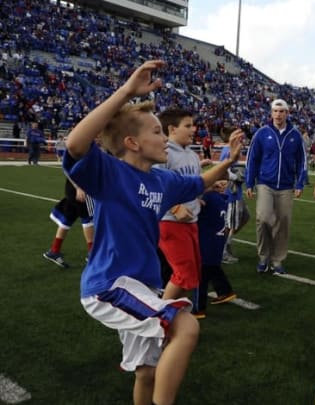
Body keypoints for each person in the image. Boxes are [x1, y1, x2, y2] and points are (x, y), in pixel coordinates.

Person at [63, 60, 243, 405]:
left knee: (147, 371)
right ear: (132, 142)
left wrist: (229, 160)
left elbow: (198, 183)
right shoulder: (108, 172)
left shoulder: (162, 180)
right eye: (158, 132)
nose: (166, 139)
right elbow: (75, 144)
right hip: (109, 286)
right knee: (186, 326)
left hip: (142, 286)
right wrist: (127, 92)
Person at [244, 99, 307, 275]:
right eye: (275, 111)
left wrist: (300, 182)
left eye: (282, 111)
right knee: (263, 218)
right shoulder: (261, 134)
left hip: (287, 185)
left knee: (283, 222)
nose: (278, 114)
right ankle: (264, 256)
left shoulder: (295, 135)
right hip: (265, 183)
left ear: (287, 113)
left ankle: (277, 259)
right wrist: (250, 182)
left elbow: (302, 161)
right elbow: (252, 159)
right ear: (271, 113)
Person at [155, 108, 206, 306]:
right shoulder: (163, 153)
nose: (193, 129)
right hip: (170, 222)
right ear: (172, 129)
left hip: (191, 221)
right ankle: (158, 318)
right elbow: (155, 186)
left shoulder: (192, 155)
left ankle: (174, 312)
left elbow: (193, 186)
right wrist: (175, 207)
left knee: (192, 273)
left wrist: (207, 190)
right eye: (188, 126)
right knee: (184, 274)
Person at [194, 180, 238, 318]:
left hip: (206, 240)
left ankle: (198, 309)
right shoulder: (223, 199)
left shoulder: (208, 197)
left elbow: (194, 210)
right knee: (213, 268)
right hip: (217, 240)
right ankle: (225, 291)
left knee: (201, 275)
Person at [42, 177, 94, 268]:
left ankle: (54, 250)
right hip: (81, 188)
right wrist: (78, 187)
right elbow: (68, 168)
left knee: (69, 217)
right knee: (88, 218)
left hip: (76, 188)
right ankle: (92, 253)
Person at [219, 128, 250, 264]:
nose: (242, 140)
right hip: (230, 193)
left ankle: (226, 243)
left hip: (236, 192)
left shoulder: (233, 151)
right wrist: (237, 176)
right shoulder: (228, 151)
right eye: (239, 137)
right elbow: (223, 170)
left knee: (244, 217)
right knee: (229, 224)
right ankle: (222, 250)